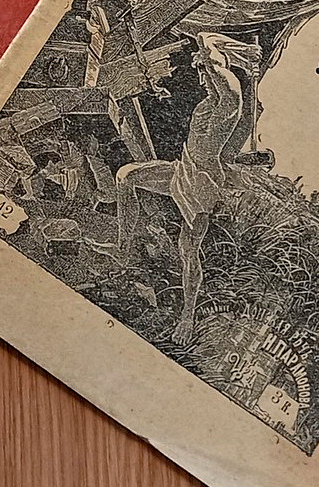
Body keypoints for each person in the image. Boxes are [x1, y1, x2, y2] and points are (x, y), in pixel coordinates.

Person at [102, 31, 266, 347]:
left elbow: (207, 41)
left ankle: (187, 316)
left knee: (188, 250)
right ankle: (122, 247)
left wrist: (236, 51)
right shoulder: (210, 101)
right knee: (126, 176)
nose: (201, 77)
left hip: (202, 185)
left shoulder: (230, 96)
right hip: (183, 168)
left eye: (204, 69)